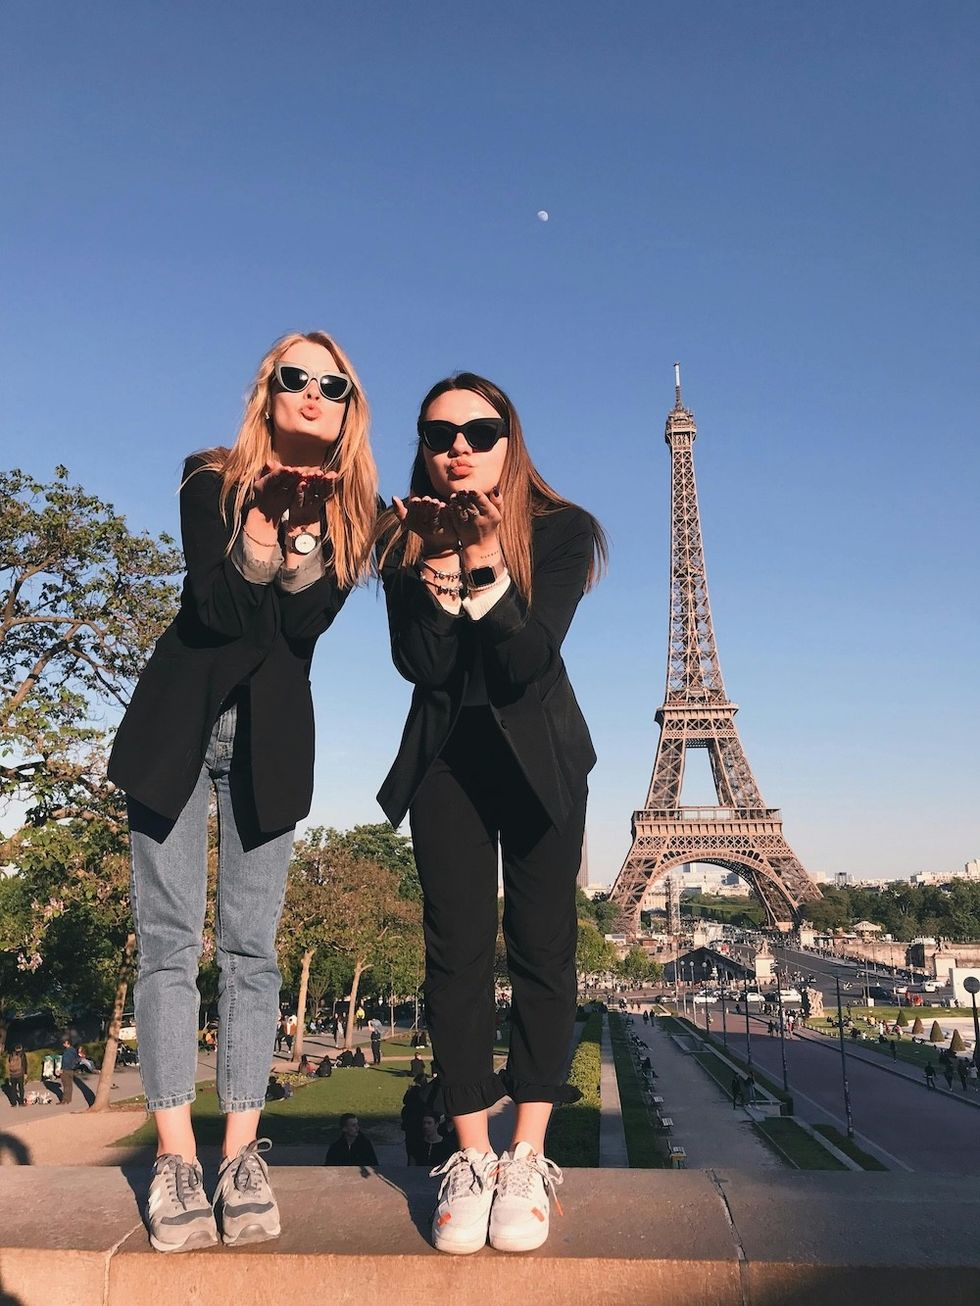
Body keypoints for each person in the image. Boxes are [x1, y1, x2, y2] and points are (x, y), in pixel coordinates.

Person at [107, 331, 378, 1253]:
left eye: (330, 383)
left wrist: (301, 535)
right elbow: (219, 610)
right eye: (293, 377)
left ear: (348, 406)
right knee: (170, 944)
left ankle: (241, 1154)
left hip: (269, 736)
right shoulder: (207, 478)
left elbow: (298, 629)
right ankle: (177, 1155)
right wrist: (258, 526)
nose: (311, 392)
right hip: (179, 725)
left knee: (254, 950)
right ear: (269, 392)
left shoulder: (359, 514)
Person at [378, 371, 606, 1256]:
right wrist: (435, 559)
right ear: (425, 450)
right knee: (456, 952)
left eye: (479, 429)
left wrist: (482, 562)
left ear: (511, 439)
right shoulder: (403, 540)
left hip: (541, 755)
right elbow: (422, 668)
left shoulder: (562, 530)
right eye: (440, 435)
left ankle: (526, 1156)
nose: (458, 447)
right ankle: (471, 1157)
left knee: (545, 947)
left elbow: (525, 659)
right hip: (447, 761)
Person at [59, 1039, 80, 1105]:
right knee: (69, 1085)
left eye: (64, 1043)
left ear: (67, 1043)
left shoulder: (67, 1051)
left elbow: (65, 1061)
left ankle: (64, 1100)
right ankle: (68, 1099)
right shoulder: (73, 1051)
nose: (63, 1044)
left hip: (66, 1069)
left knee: (66, 1085)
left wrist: (62, 1069)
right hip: (71, 1070)